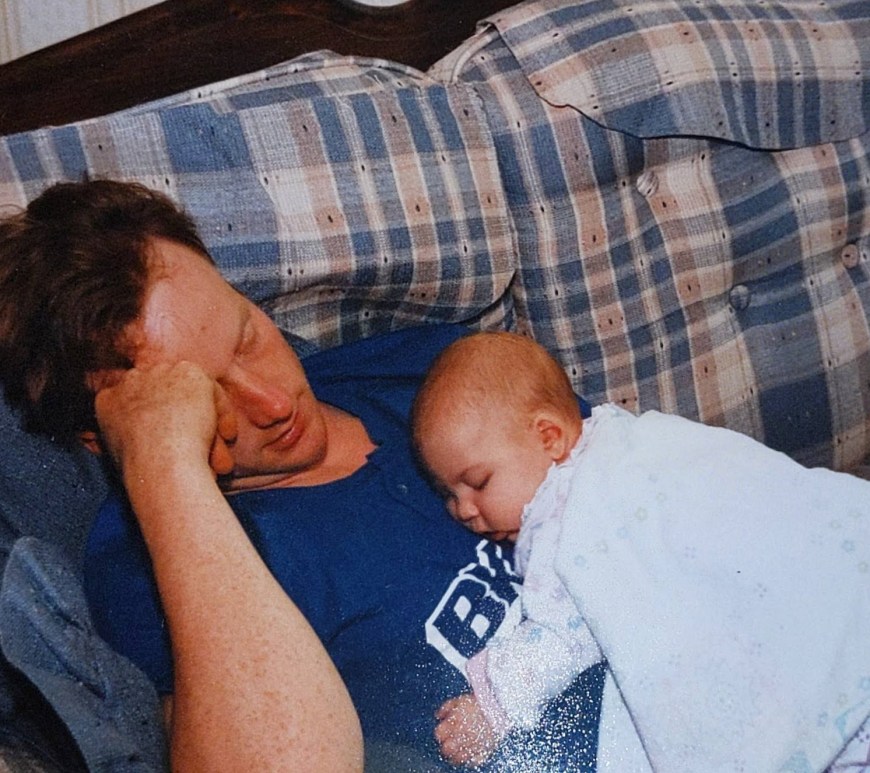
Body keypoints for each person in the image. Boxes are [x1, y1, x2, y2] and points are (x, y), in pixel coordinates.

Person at [0, 180, 606, 772]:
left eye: (247, 335)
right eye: (206, 399)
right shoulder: (147, 565)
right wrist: (163, 466)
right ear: (109, 434)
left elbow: (634, 486)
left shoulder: (431, 374)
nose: (272, 403)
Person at [412, 331, 870, 771]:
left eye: (477, 483)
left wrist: (492, 706)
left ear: (548, 437)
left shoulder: (569, 516)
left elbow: (559, 633)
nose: (463, 510)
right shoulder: (618, 432)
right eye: (448, 494)